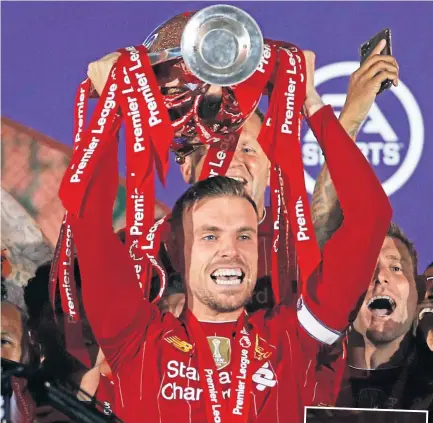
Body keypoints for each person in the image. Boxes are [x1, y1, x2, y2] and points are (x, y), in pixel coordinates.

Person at [65, 43, 392, 422]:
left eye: (244, 235)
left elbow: (370, 215)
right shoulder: (134, 339)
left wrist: (311, 103)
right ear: (178, 244)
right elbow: (89, 224)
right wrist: (111, 112)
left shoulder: (293, 338)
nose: (230, 251)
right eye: (209, 235)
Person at [334, 224, 433, 414]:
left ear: (419, 291)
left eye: (396, 267)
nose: (380, 276)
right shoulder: (304, 372)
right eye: (365, 266)